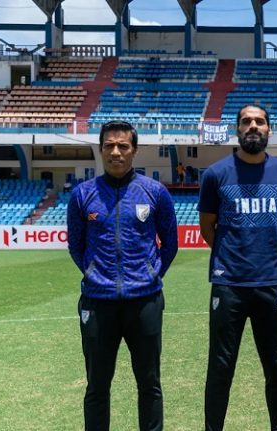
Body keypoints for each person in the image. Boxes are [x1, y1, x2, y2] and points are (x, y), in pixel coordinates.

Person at [67, 120, 179, 431]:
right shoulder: (83, 194)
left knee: (149, 383)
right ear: (101, 149)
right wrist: (94, 274)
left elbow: (170, 243)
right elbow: (75, 245)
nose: (115, 152)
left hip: (145, 302)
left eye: (123, 146)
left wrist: (151, 274)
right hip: (97, 302)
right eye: (109, 146)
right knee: (97, 385)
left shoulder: (155, 192)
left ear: (134, 151)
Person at [198, 104, 277, 431]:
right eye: (246, 121)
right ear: (237, 129)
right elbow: (207, 227)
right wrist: (232, 256)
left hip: (270, 283)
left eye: (259, 121)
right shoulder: (216, 174)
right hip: (228, 285)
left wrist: (265, 253)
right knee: (221, 367)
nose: (253, 126)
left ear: (269, 129)